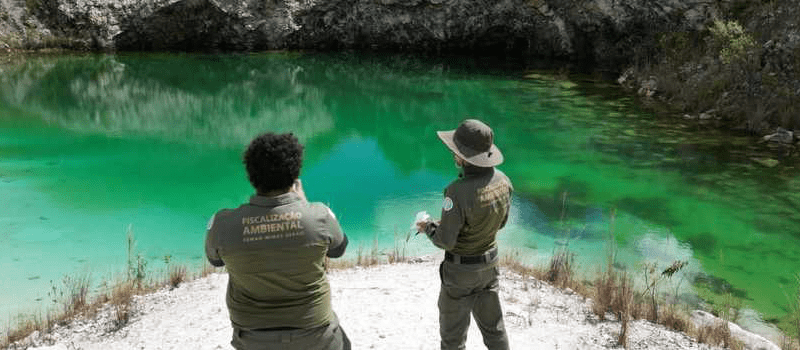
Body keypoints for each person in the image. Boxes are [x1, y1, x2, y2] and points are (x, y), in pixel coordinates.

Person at [205, 132, 350, 350]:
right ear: (295, 173)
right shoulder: (319, 216)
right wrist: (303, 204)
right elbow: (339, 249)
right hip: (315, 334)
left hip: (252, 338)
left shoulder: (222, 223)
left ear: (251, 174)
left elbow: (215, 260)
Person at [417, 119, 513, 350]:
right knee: (494, 330)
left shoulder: (456, 192)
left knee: (453, 338)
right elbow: (500, 224)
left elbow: (445, 241)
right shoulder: (503, 181)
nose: (452, 154)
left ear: (462, 157)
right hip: (489, 267)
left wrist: (428, 227)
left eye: (455, 150)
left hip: (460, 274)